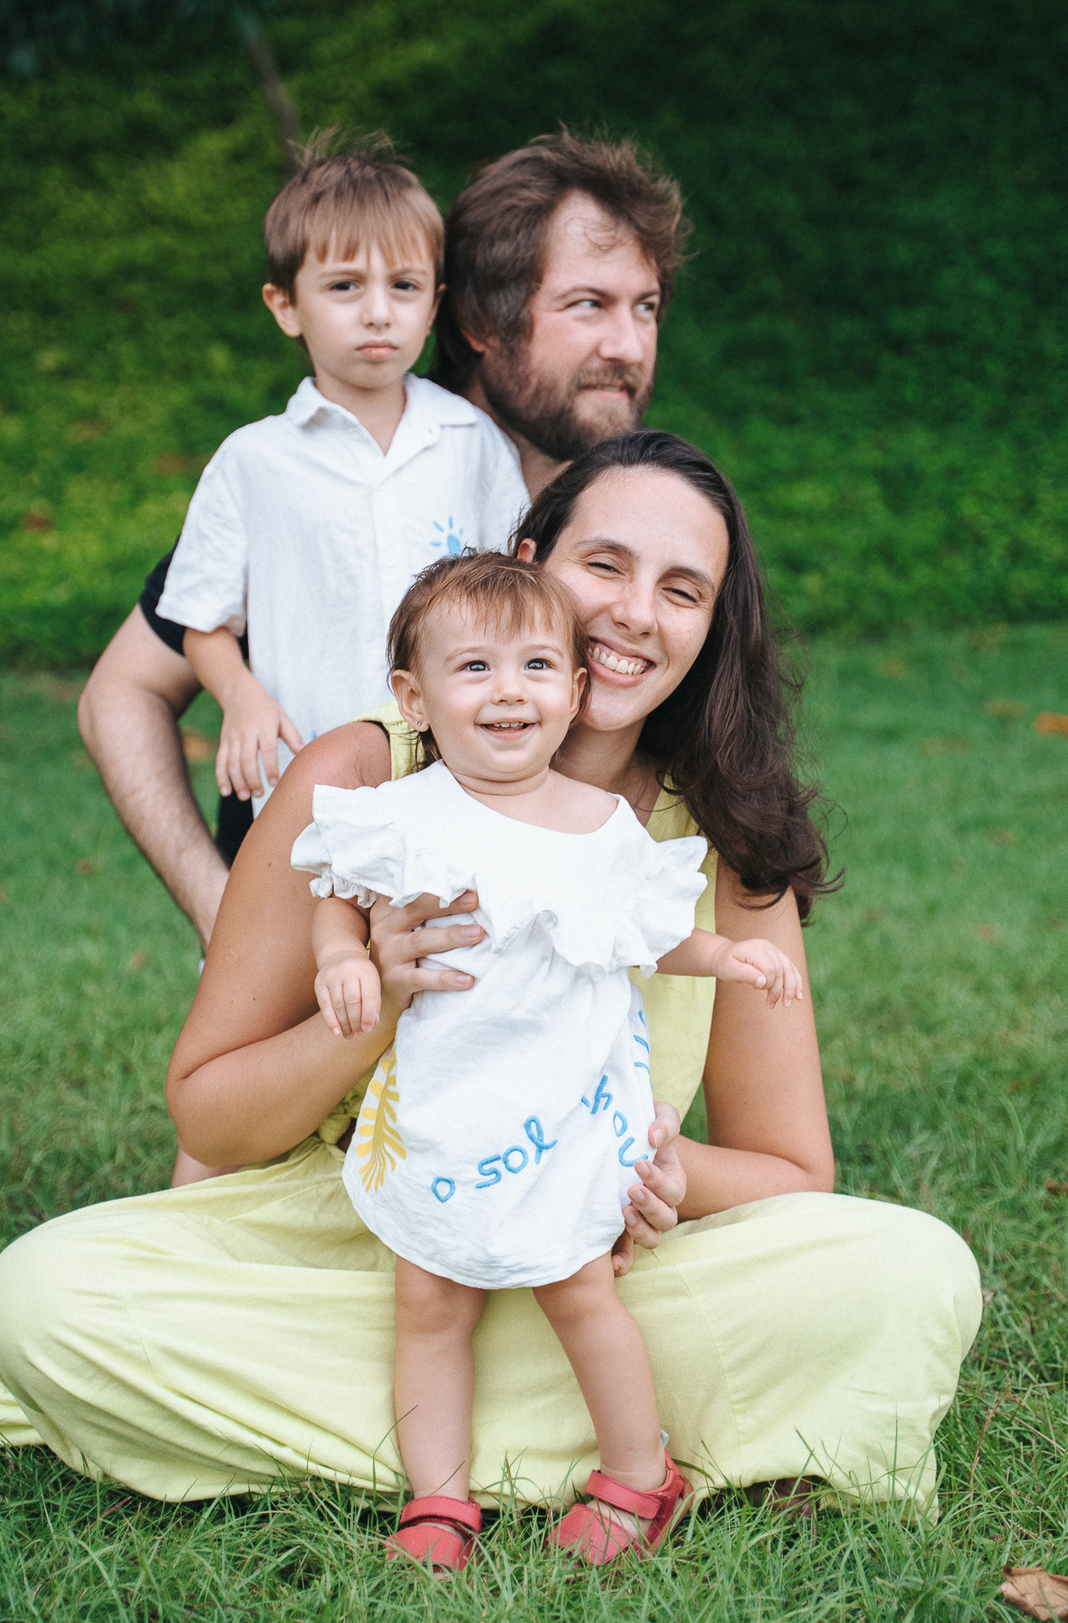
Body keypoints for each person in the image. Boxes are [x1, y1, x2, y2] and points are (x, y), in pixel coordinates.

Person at [0, 431, 981, 1528]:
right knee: (42, 1304)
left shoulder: (719, 843)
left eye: (683, 590)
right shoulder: (366, 784)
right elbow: (209, 1110)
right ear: (531, 561)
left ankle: (455, 1455)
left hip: (600, 1263)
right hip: (369, 1253)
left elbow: (796, 1172)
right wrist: (370, 1006)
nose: (638, 613)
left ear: (712, 630)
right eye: (604, 566)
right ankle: (590, 1444)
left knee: (915, 1271)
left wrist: (666, 1173)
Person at [296, 550, 802, 1571]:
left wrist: (728, 956)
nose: (508, 691)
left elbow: (645, 938)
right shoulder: (404, 812)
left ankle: (636, 1470)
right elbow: (336, 903)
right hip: (447, 1111)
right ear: (416, 697)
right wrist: (342, 964)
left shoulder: (600, 826)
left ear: (574, 691)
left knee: (582, 1292)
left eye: (535, 666)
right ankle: (437, 1498)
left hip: (565, 1112)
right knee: (429, 1304)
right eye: (473, 669)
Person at [76, 130, 688, 960]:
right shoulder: (307, 471)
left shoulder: (647, 518)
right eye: (588, 304)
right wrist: (226, 916)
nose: (628, 344)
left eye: (645, 306)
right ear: (476, 319)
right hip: (311, 898)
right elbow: (123, 693)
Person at [153, 138, 527, 814]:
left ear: (434, 303)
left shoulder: (473, 445)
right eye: (345, 286)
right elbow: (202, 620)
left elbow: (516, 602)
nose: (378, 311)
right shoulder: (252, 462)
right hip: (299, 791)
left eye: (404, 286)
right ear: (285, 304)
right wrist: (241, 697)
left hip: (449, 788)